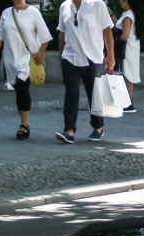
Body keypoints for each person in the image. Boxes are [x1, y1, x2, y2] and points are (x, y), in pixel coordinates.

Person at [0, 0, 51, 139]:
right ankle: (24, 120)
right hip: (11, 58)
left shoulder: (33, 12)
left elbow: (45, 35)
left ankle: (24, 123)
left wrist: (41, 52)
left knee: (22, 87)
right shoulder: (6, 13)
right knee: (18, 89)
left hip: (27, 58)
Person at [55, 0, 114, 143]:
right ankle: (69, 130)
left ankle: (98, 127)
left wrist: (111, 56)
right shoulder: (65, 6)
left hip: (93, 57)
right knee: (71, 93)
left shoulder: (97, 4)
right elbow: (62, 34)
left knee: (94, 95)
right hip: (70, 56)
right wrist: (61, 56)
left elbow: (107, 31)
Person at [114, 0, 139, 112]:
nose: (120, 2)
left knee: (127, 74)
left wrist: (113, 39)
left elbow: (124, 35)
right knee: (128, 74)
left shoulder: (128, 16)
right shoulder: (131, 14)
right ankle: (128, 100)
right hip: (132, 47)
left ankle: (128, 101)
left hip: (126, 49)